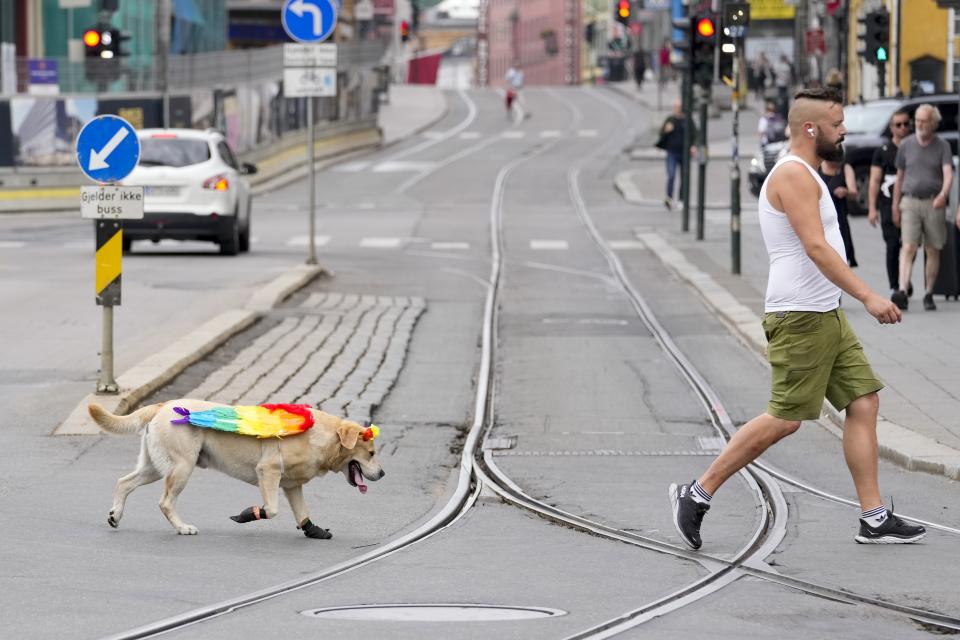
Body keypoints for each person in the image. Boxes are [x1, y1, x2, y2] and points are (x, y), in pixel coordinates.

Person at [669, 87, 925, 549]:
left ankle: (874, 516)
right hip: (801, 315)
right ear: (812, 129)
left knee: (863, 402)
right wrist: (869, 296)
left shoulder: (806, 171)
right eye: (837, 123)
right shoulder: (793, 176)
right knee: (786, 419)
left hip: (824, 311)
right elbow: (816, 247)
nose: (844, 130)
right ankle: (697, 492)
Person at [891, 104, 952, 311]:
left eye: (924, 121)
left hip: (934, 202)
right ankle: (902, 289)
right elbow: (899, 178)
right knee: (908, 246)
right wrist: (895, 205)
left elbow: (948, 174)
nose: (919, 124)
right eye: (917, 120)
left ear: (934, 123)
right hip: (909, 201)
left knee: (932, 249)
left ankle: (928, 293)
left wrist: (944, 195)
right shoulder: (906, 145)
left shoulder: (942, 145)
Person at [868, 109, 912, 296]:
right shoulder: (883, 151)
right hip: (887, 203)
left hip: (910, 203)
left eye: (905, 124)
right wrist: (872, 208)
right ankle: (895, 286)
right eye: (898, 125)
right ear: (892, 128)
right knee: (893, 244)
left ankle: (905, 278)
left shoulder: (914, 148)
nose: (902, 128)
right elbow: (875, 181)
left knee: (910, 245)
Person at [819, 155, 858, 267]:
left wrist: (845, 192)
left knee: (842, 258)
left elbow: (854, 193)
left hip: (840, 219)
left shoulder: (845, 168)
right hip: (821, 220)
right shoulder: (817, 168)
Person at [656, 99, 696, 210]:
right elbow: (661, 132)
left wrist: (693, 146)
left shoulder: (687, 120)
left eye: (679, 106)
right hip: (672, 152)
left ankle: (681, 199)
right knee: (671, 175)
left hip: (684, 153)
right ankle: (669, 198)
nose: (677, 108)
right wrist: (666, 130)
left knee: (684, 177)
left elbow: (695, 134)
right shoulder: (670, 119)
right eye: (675, 106)